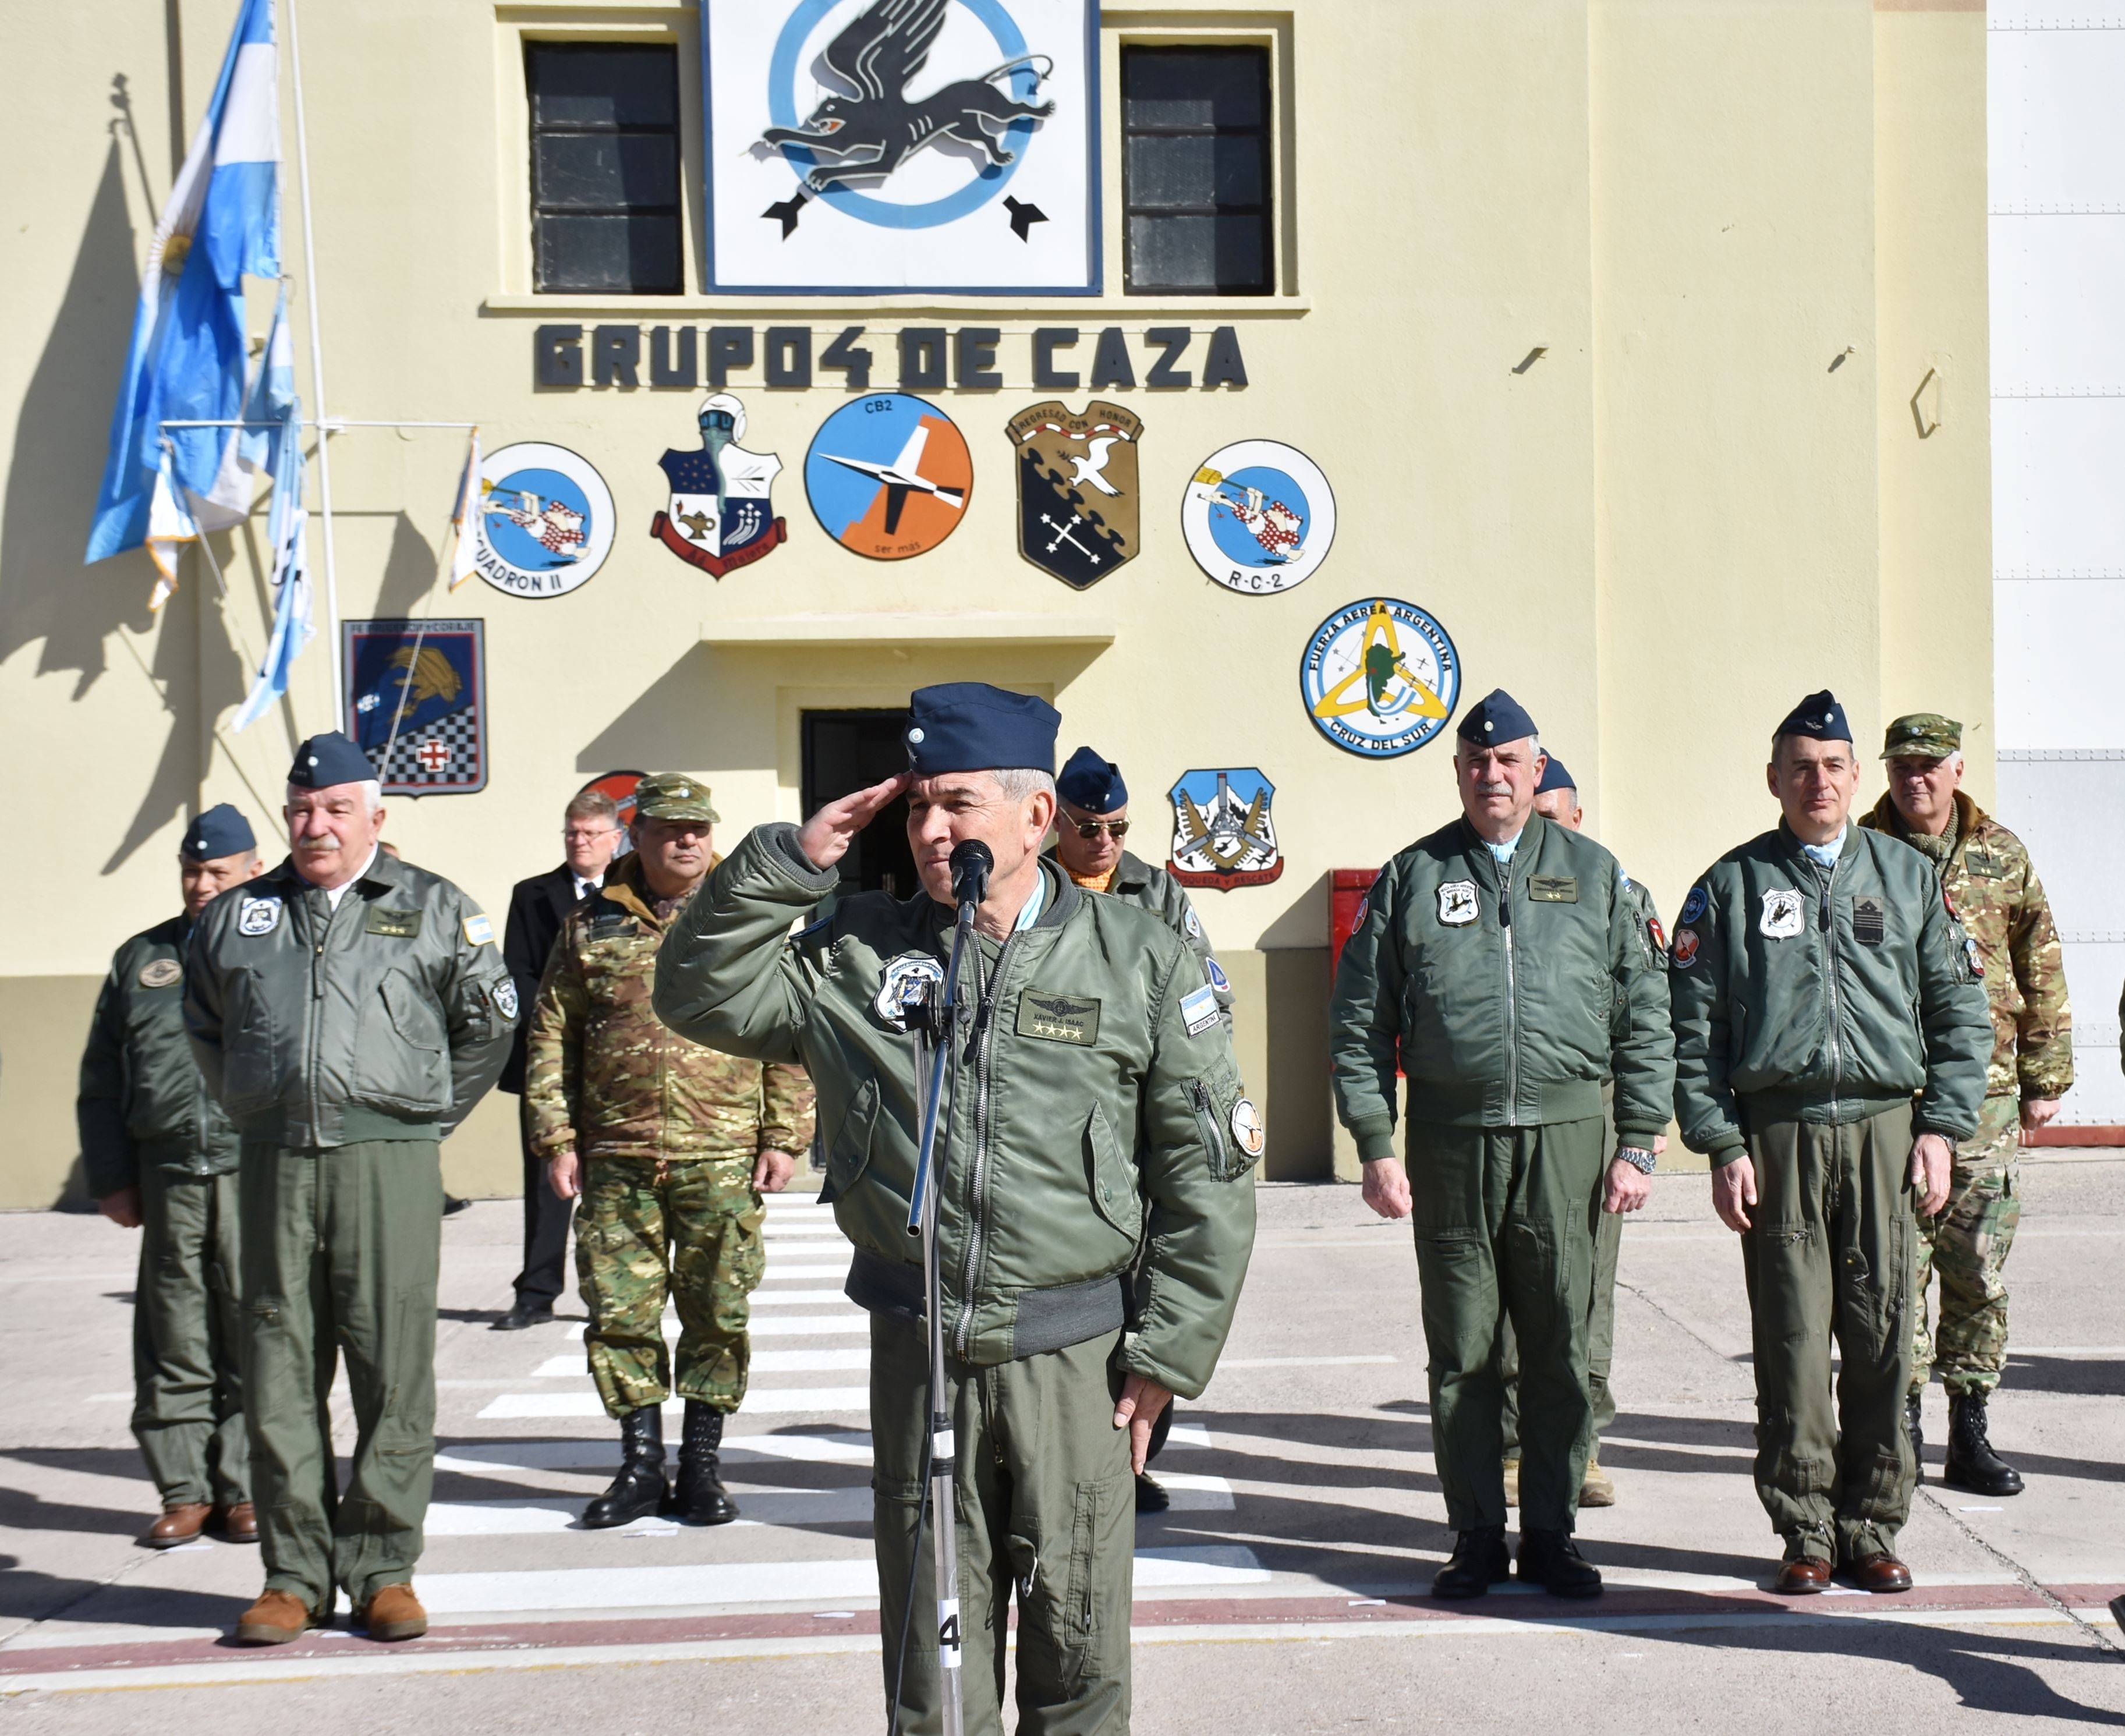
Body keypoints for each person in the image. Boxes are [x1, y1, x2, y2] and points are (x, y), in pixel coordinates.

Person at [651, 682, 1259, 1736]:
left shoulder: (1139, 956)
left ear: (1036, 816)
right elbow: (696, 994)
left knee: (1076, 1644)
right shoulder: (853, 952)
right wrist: (787, 865)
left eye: (960, 804)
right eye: (920, 804)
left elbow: (1206, 1170)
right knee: (933, 1660)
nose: (933, 829)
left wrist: (1168, 1353)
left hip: (1076, 1362)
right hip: (918, 1345)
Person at [1329, 690, 1673, 1601]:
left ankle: (1553, 1530)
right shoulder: (1410, 876)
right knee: (1463, 1349)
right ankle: (1477, 1531)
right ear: (1458, 772)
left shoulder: (1596, 876)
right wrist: (1375, 1141)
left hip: (1567, 1140)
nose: (1492, 776)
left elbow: (1646, 1017)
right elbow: (1359, 1021)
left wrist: (1638, 1138)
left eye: (1508, 761)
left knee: (1561, 1342)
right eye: (1475, 762)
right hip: (1448, 1140)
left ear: (1535, 767)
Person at [184, 732, 516, 1646]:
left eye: (334, 808)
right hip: (273, 1162)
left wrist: (418, 1120)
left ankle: (381, 1569)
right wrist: (258, 1106)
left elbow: (487, 1028)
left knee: (390, 1366)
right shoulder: (240, 916)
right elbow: (205, 1025)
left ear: (376, 816)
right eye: (299, 810)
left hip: (390, 1162)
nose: (314, 825)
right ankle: (292, 1574)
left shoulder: (436, 908)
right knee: (277, 1368)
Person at [1669, 692, 1991, 1595]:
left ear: (1857, 777)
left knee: (1887, 1332)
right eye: (1801, 767)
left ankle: (1873, 1522)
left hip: (1888, 1129)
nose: (1818, 781)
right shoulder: (1729, 887)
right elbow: (1692, 1032)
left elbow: (1960, 1012)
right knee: (1791, 1339)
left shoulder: (1907, 877)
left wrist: (1940, 1127)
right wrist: (1720, 1142)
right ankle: (1806, 1526)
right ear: (1773, 779)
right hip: (1780, 1136)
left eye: (1834, 765)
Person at [526, 773, 813, 1529]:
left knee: (717, 1309)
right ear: (638, 835)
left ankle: (702, 1466)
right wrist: (555, 1135)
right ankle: (640, 1464)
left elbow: (787, 1030)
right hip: (618, 1153)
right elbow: (552, 1030)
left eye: (697, 828)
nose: (685, 840)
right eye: (667, 828)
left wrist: (784, 1134)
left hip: (719, 1151)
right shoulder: (590, 925)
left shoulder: (741, 922)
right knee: (622, 1312)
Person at [1859, 713, 2071, 1496]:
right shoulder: (1862, 852)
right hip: (1892, 1092)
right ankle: (1903, 1430)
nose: (1912, 779)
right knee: (1896, 1271)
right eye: (1899, 766)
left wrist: (2047, 1074)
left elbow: (2037, 956)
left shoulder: (1999, 852)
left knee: (1977, 1266)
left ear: (1955, 768)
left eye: (1926, 765)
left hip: (1985, 1092)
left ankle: (1970, 1430)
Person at [1044, 742, 1226, 1512]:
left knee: (1151, 1287)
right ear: (1054, 820)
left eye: (1118, 826)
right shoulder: (1034, 887)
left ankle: (1135, 1455)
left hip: (1144, 1118)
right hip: (1063, 1121)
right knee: (1075, 1292)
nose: (1106, 842)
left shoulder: (1158, 892)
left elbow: (1207, 992)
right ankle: (1073, 1446)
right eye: (1089, 827)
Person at [79, 804, 263, 1550]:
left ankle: (244, 1487)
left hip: (253, 1170)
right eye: (192, 871)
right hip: (167, 1173)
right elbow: (101, 1078)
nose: (201, 884)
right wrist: (112, 1177)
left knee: (254, 1327)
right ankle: (184, 1490)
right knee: (172, 1334)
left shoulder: (276, 948)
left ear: (253, 869)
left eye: (218, 871)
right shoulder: (142, 958)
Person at [1493, 754, 1669, 1513]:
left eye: (1557, 819)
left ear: (1578, 817)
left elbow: (1648, 1010)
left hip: (1592, 1105)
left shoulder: (1620, 895)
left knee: (1588, 1279)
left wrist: (1640, 1126)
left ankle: (1581, 1436)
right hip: (1510, 1107)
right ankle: (1509, 1440)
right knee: (1509, 1277)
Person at [494, 786, 626, 1331]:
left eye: (591, 833)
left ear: (615, 839)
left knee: (616, 1188)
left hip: (619, 1066)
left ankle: (614, 1295)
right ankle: (536, 1291)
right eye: (572, 832)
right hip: (552, 1062)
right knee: (549, 1184)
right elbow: (519, 972)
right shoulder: (533, 895)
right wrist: (556, 1029)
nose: (580, 842)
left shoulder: (630, 894)